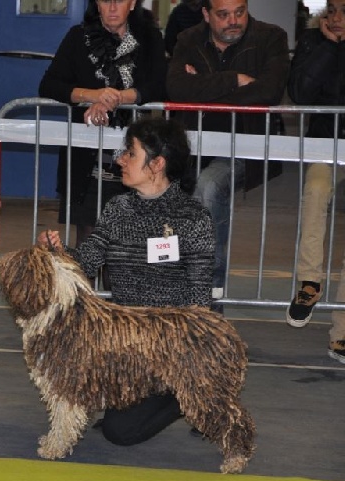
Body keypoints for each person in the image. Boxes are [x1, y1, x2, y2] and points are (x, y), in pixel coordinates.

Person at [38, 116, 215, 445]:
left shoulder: (194, 217)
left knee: (120, 432)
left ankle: (187, 393)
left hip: (171, 341)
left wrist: (184, 359)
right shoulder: (117, 209)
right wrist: (59, 253)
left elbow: (199, 298)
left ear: (157, 163)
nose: (120, 160)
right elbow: (88, 261)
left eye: (130, 154)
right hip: (124, 336)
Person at [166, 0, 290, 301]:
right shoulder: (188, 39)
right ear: (206, 15)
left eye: (240, 12)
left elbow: (269, 90)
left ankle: (211, 291)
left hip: (246, 146)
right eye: (223, 15)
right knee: (173, 213)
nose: (234, 20)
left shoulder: (271, 37)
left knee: (209, 186)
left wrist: (203, 87)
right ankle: (178, 295)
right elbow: (175, 88)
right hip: (193, 149)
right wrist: (232, 80)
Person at [39, 0, 167, 245]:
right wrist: (92, 95)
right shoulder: (78, 37)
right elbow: (50, 85)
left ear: (132, 4)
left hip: (135, 160)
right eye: (105, 0)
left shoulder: (150, 38)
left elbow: (160, 85)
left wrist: (119, 98)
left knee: (126, 246)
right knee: (89, 242)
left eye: (119, 0)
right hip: (87, 162)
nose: (111, 7)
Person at [285, 0, 345, 364]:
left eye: (344, 12)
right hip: (327, 144)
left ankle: (342, 332)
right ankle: (310, 282)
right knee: (316, 190)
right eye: (333, 10)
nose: (337, 18)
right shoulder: (311, 42)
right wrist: (329, 47)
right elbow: (301, 93)